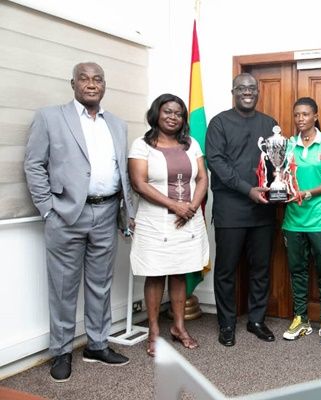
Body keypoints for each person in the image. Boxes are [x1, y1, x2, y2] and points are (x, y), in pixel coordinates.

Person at [24, 62, 133, 382]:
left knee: (101, 284)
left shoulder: (117, 123)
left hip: (107, 212)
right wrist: (48, 209)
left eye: (97, 79)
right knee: (63, 287)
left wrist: (126, 212)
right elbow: (34, 165)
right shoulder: (50, 117)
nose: (91, 84)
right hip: (66, 215)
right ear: (73, 84)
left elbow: (120, 169)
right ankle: (61, 351)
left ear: (104, 85)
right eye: (84, 79)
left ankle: (97, 345)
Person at [128, 93, 210, 356]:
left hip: (188, 219)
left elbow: (202, 178)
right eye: (168, 112)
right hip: (155, 222)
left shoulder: (191, 143)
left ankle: (178, 327)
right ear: (157, 113)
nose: (173, 117)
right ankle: (153, 331)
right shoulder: (142, 145)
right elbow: (138, 183)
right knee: (155, 274)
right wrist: (175, 206)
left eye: (178, 113)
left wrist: (192, 207)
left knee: (179, 272)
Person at [205, 73, 278, 346]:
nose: (247, 92)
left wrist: (280, 184)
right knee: (226, 270)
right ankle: (226, 323)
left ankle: (256, 320)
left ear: (258, 92)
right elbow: (217, 163)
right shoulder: (219, 123)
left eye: (252, 88)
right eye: (242, 88)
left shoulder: (270, 123)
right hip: (231, 209)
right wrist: (248, 189)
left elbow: (277, 163)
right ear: (233, 92)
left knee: (261, 268)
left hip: (263, 209)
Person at [281, 97, 321, 344]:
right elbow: (280, 175)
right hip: (293, 221)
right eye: (297, 114)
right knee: (297, 272)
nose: (300, 119)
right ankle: (301, 319)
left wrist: (309, 193)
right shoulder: (287, 145)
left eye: (305, 114)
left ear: (315, 116)